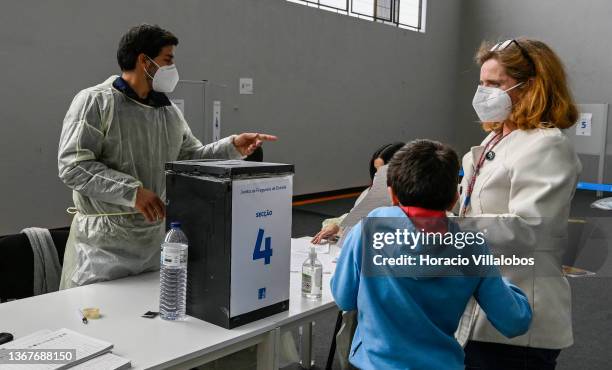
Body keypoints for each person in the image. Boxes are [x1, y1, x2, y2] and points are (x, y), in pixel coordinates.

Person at [57, 24, 277, 289]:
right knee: (95, 322)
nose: (172, 68)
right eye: (168, 60)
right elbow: (74, 165)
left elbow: (190, 158)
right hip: (102, 249)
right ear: (144, 61)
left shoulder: (167, 111)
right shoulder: (96, 102)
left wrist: (232, 147)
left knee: (147, 323)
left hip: (153, 245)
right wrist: (133, 192)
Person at [331, 140, 532, 370]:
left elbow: (344, 298)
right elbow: (514, 321)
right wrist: (498, 275)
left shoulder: (369, 229)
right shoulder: (472, 246)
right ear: (454, 199)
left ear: (392, 194)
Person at [458, 39, 582, 369]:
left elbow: (530, 229)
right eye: (482, 82)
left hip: (521, 317)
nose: (483, 93)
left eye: (495, 84)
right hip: (481, 310)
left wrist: (447, 229)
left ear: (532, 86)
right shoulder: (495, 139)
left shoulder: (546, 144)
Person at [311, 142, 404, 244]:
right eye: (376, 170)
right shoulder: (369, 192)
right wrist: (337, 226)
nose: (378, 175)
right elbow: (354, 216)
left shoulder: (409, 200)